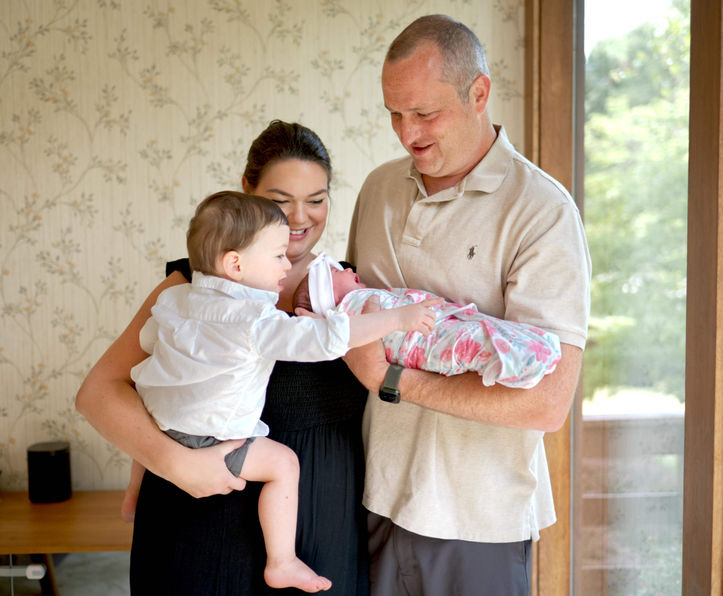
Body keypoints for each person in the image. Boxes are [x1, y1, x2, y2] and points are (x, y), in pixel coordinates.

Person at [343, 15, 591, 596]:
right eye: (394, 115)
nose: (408, 134)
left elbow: (547, 403)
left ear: (479, 92)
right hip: (374, 494)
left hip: (477, 520)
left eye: (425, 114)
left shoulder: (543, 213)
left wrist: (395, 379)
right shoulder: (378, 189)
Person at [76, 120, 375, 595]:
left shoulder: (349, 290)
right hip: (201, 517)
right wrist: (176, 465)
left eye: (317, 199)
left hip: (322, 519)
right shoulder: (192, 288)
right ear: (248, 193)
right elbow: (101, 392)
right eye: (280, 200)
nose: (300, 217)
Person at [124, 191, 437, 593]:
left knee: (149, 409)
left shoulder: (172, 298)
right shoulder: (255, 318)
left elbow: (150, 340)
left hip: (159, 428)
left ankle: (134, 493)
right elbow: (325, 339)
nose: (287, 263)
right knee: (284, 465)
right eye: (276, 256)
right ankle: (282, 561)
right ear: (235, 264)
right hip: (211, 438)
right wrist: (395, 318)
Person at [293, 253, 561, 389]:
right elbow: (355, 332)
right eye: (336, 272)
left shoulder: (359, 299)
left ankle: (531, 350)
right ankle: (522, 364)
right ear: (326, 292)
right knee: (470, 343)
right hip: (422, 343)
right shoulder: (346, 312)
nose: (348, 268)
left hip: (432, 328)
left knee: (478, 331)